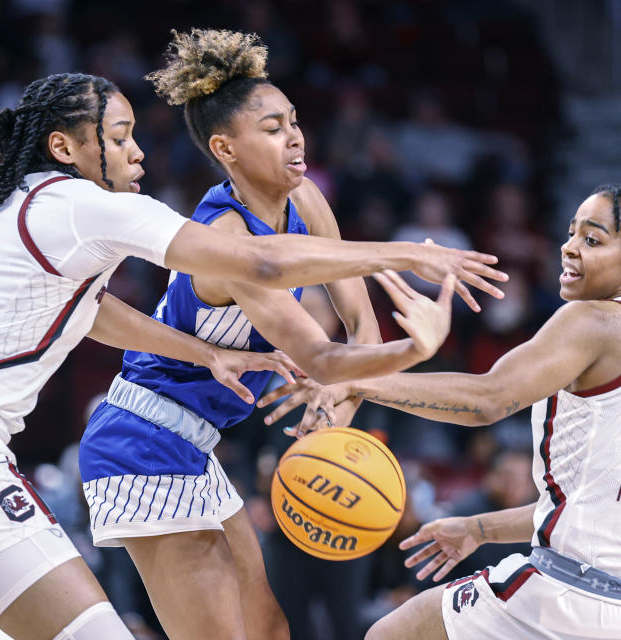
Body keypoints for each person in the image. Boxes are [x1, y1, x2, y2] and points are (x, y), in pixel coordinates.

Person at [0, 71, 505, 640]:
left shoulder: (1, 207)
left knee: (266, 629)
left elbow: (92, 310)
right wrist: (416, 253)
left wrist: (206, 352)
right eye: (118, 139)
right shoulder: (90, 206)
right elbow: (263, 264)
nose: (138, 154)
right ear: (65, 147)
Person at [77, 29, 507, 640]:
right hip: (140, 443)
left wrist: (343, 408)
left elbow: (358, 324)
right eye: (274, 127)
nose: (296, 136)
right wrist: (418, 343)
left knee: (271, 631)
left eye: (295, 121)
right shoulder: (225, 239)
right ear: (225, 148)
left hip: (192, 446)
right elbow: (326, 356)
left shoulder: (305, 196)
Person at [261, 185, 621, 639]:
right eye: (571, 234)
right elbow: (594, 507)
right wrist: (479, 529)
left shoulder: (594, 320)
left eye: (593, 239)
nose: (569, 247)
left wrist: (356, 380)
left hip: (576, 598)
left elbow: (488, 399)